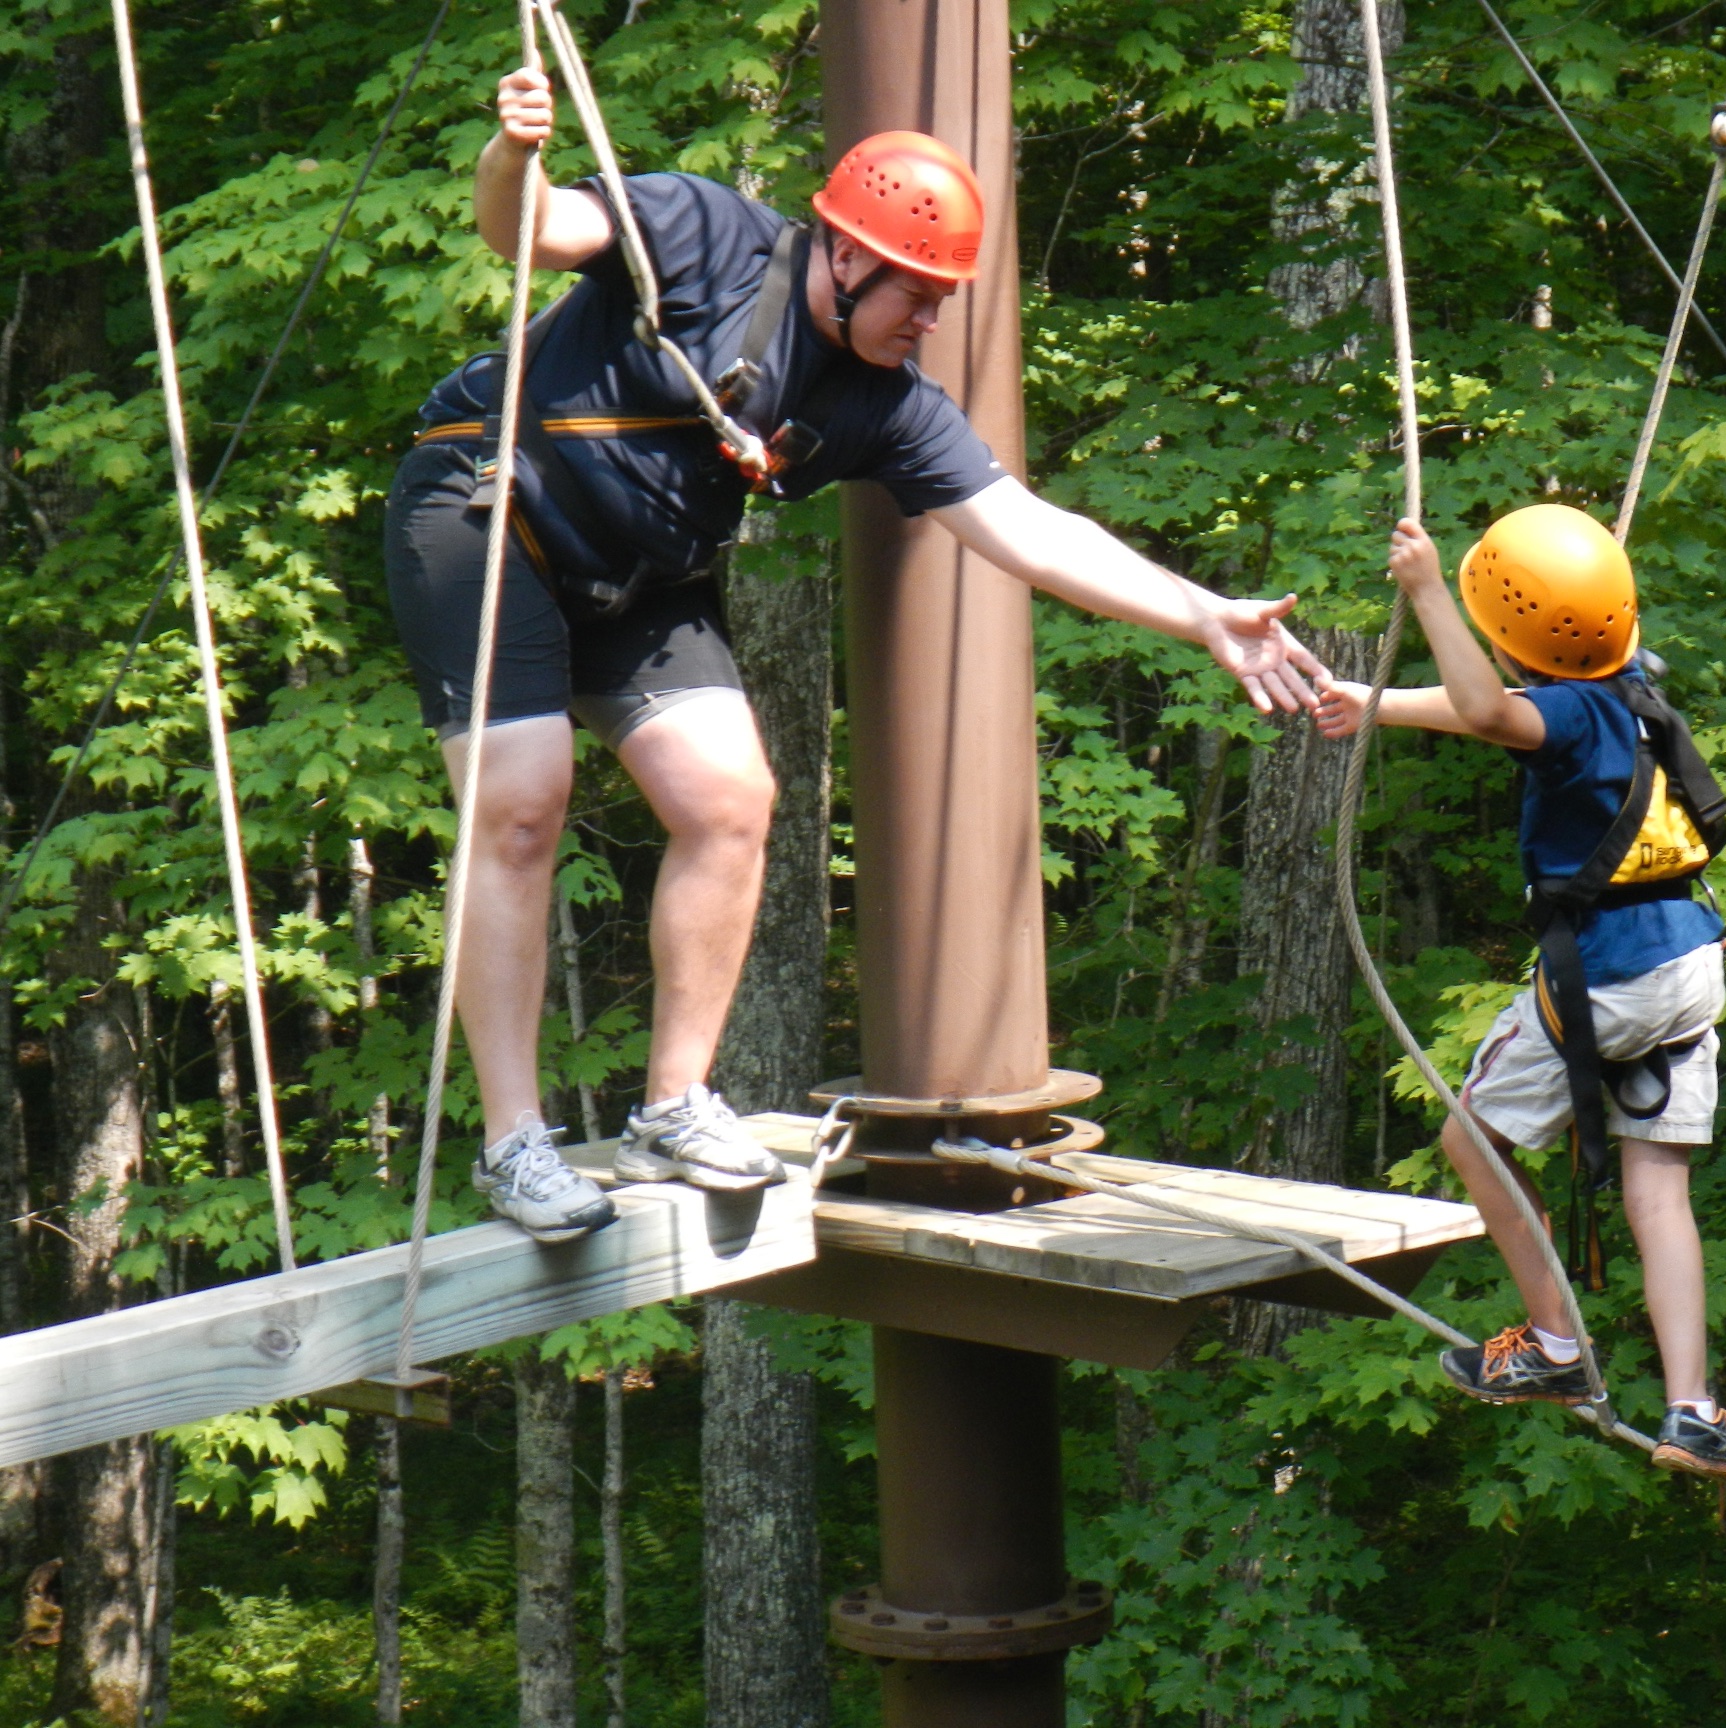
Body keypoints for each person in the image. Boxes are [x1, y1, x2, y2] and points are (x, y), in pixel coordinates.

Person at [387, 66, 1327, 1242]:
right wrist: (511, 153)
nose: (931, 321)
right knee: (523, 803)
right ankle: (515, 1142)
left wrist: (1200, 613)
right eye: (919, 295)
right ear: (845, 255)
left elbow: (1029, 530)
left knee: (732, 800)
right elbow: (527, 230)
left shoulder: (887, 402)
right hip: (492, 509)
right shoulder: (703, 231)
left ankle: (674, 1105)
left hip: (633, 573)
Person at [1312, 506, 1726, 1477]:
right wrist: (1374, 700)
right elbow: (1500, 708)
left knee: (1472, 1140)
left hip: (1608, 977)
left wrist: (1430, 591)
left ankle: (1557, 1349)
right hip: (1690, 963)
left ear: (1514, 637)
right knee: (1660, 1193)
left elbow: (1487, 711)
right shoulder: (1632, 688)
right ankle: (1695, 1411)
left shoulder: (1557, 713)